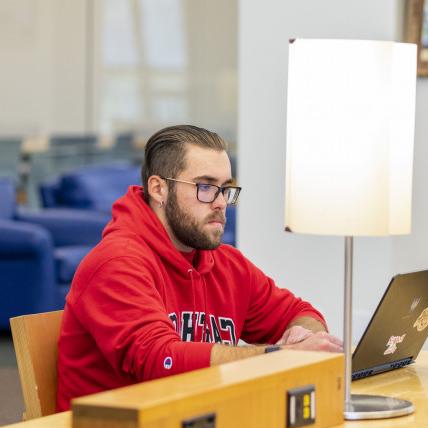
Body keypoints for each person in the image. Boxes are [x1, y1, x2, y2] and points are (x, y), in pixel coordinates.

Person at [56, 125, 342, 411]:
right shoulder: (116, 263)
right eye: (205, 187)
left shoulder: (227, 263)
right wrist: (279, 356)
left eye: (225, 189)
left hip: (195, 426)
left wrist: (305, 336)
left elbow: (298, 314)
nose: (220, 203)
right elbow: (159, 360)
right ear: (159, 189)